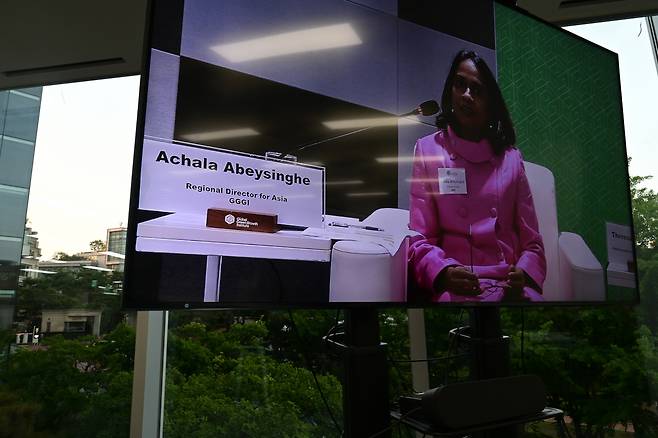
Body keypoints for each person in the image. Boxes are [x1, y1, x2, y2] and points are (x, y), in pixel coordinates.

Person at [408, 50, 545, 302]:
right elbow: (420, 238)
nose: (467, 96)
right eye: (460, 85)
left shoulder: (512, 159)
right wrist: (444, 271)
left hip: (508, 286)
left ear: (491, 103)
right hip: (456, 286)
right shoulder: (428, 150)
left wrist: (522, 273)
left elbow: (532, 243)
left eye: (477, 90)